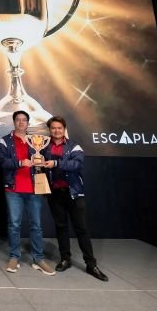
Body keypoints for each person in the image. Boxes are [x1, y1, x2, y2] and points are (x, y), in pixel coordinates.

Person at [42, 116, 109, 281]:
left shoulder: (74, 146)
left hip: (74, 193)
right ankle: (65, 259)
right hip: (55, 194)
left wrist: (56, 164)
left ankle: (91, 264)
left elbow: (76, 165)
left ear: (64, 129)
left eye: (59, 128)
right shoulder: (44, 147)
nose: (56, 130)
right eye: (53, 128)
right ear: (50, 130)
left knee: (81, 229)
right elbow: (41, 167)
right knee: (61, 227)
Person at [0, 110, 56, 276]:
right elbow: (2, 161)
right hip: (13, 189)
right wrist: (20, 162)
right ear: (14, 122)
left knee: (36, 225)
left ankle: (38, 259)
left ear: (28, 123)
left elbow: (44, 156)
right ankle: (14, 256)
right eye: (18, 120)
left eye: (24, 120)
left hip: (34, 188)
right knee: (14, 225)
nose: (21, 122)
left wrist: (42, 161)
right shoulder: (5, 141)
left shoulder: (35, 140)